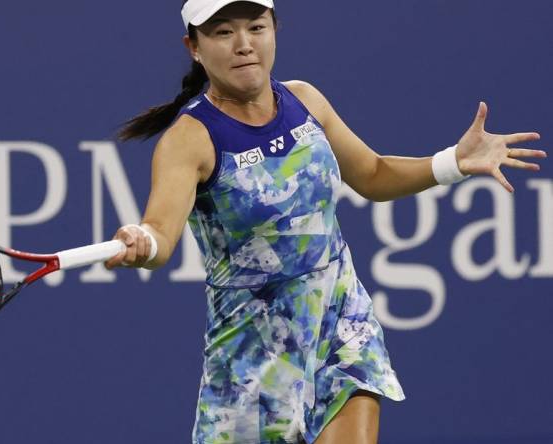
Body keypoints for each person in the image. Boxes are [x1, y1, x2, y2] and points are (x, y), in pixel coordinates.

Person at [104, 1, 546, 443]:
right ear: (194, 47)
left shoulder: (305, 100)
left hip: (339, 324)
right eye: (222, 33)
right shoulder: (188, 140)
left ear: (274, 30)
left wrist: (453, 162)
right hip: (251, 360)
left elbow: (371, 174)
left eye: (255, 27)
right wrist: (142, 241)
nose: (243, 45)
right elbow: (160, 235)